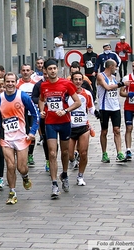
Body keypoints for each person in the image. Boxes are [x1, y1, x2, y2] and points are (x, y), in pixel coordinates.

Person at [0, 72, 39, 205]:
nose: (10, 84)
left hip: (22, 137)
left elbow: (36, 115)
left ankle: (25, 176)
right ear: (4, 83)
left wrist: (33, 132)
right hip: (6, 138)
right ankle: (12, 192)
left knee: (21, 167)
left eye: (12, 81)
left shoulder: (23, 97)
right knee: (10, 166)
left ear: (16, 82)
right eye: (8, 82)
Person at [38, 59, 81, 199]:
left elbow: (78, 102)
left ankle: (65, 174)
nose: (52, 71)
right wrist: (41, 111)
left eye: (54, 68)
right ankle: (54, 183)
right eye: (49, 68)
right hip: (50, 123)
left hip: (64, 122)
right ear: (45, 70)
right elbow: (41, 99)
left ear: (58, 69)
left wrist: (66, 110)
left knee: (65, 152)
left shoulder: (66, 83)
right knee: (51, 153)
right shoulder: (43, 85)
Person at [97, 59, 130, 163]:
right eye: (115, 66)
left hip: (115, 107)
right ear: (110, 66)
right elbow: (107, 87)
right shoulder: (100, 76)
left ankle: (119, 153)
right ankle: (104, 153)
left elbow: (116, 89)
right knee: (104, 131)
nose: (116, 68)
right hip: (104, 108)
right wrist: (121, 84)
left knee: (117, 130)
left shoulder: (114, 78)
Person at [68, 71, 97, 186]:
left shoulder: (87, 94)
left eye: (80, 79)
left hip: (83, 127)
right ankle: (72, 160)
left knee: (83, 153)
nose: (78, 81)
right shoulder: (66, 94)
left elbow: (91, 108)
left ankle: (80, 176)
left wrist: (97, 113)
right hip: (70, 127)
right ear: (72, 80)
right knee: (69, 154)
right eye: (76, 79)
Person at [16, 64, 37, 168]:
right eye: (23, 70)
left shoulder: (35, 84)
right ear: (21, 71)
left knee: (31, 134)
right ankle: (22, 154)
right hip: (21, 114)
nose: (25, 72)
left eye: (27, 70)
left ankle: (30, 155)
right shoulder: (17, 84)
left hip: (32, 113)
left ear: (31, 71)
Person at [31, 67, 51, 173]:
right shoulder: (38, 85)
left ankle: (53, 159)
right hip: (44, 115)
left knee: (54, 141)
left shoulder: (59, 84)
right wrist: (42, 99)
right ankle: (48, 160)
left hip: (57, 116)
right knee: (46, 139)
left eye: (47, 73)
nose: (47, 76)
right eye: (44, 74)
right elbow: (33, 98)